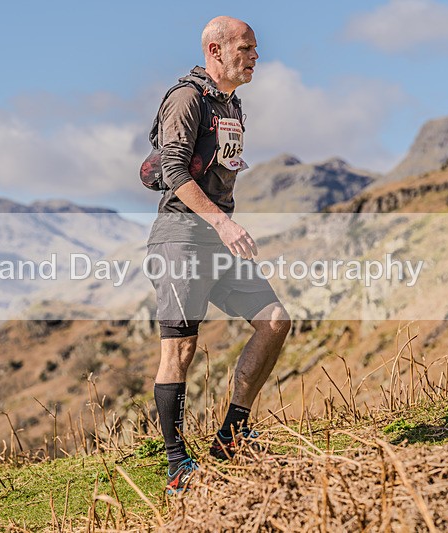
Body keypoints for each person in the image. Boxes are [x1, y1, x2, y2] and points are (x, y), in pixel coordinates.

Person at [145, 16, 291, 495]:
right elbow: (170, 170)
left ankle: (231, 435)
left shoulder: (231, 103)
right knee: (181, 349)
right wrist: (222, 222)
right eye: (246, 48)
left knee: (275, 320)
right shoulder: (186, 98)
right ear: (215, 50)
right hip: (181, 236)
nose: (254, 57)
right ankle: (176, 467)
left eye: (254, 49)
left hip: (214, 237)